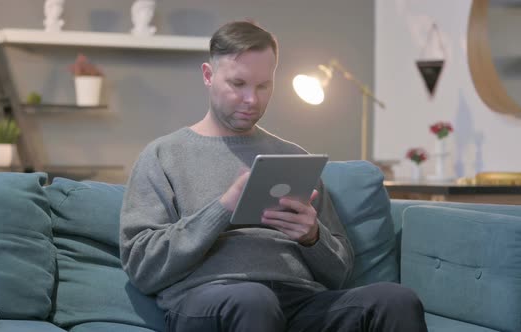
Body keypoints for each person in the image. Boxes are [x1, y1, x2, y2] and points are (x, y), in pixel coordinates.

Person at [120, 20, 428, 332]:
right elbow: (142, 267)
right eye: (238, 84)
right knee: (255, 300)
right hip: (210, 299)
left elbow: (339, 273)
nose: (252, 100)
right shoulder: (162, 156)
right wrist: (223, 207)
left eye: (263, 86)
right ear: (209, 76)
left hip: (299, 301)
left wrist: (313, 238)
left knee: (395, 300)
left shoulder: (292, 157)